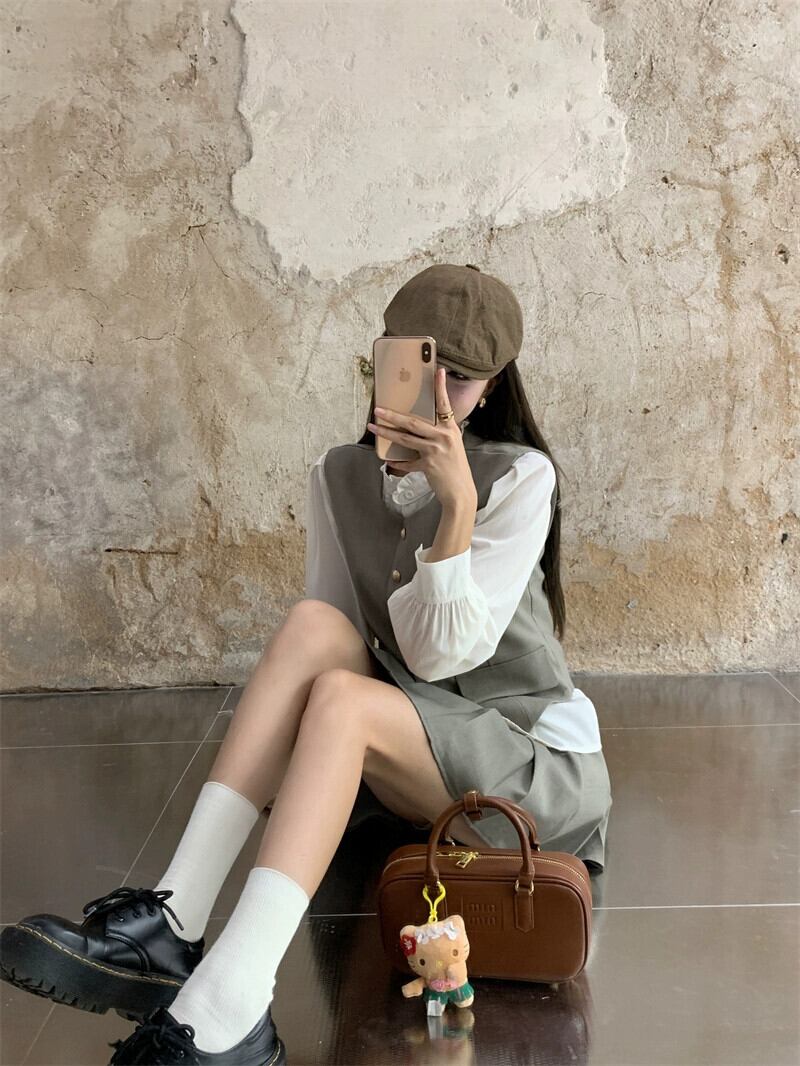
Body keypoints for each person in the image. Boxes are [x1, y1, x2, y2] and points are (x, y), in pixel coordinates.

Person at [0, 263, 612, 1064]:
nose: (436, 398)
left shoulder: (518, 476)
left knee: (345, 701)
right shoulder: (336, 475)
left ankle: (234, 1003)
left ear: (492, 389)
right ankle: (174, 919)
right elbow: (339, 642)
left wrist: (456, 507)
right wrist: (295, 766)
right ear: (382, 360)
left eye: (460, 382)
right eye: (420, 368)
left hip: (525, 767)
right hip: (417, 751)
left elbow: (435, 656)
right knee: (313, 626)